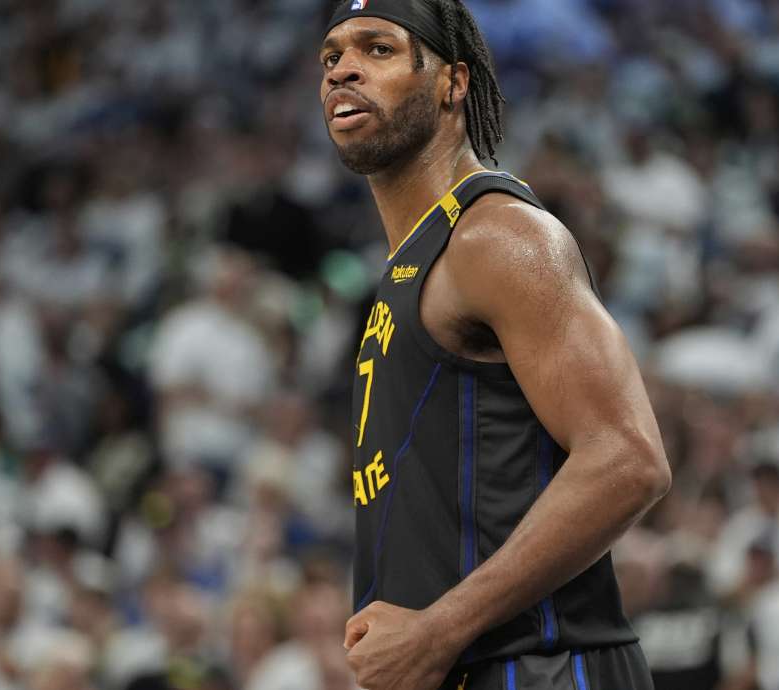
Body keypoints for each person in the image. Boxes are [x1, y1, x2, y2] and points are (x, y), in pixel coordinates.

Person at [318, 1, 672, 688]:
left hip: (542, 668)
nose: (343, 71)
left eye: (377, 49)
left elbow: (628, 458)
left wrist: (438, 628)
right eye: (331, 57)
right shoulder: (407, 268)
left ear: (453, 82)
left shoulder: (497, 237)